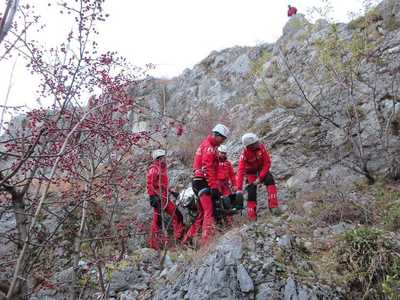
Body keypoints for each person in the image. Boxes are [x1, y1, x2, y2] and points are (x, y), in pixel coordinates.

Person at [182, 124, 230, 245]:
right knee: (209, 211)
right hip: (202, 182)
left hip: (197, 182)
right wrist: (214, 187)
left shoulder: (205, 144)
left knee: (202, 213)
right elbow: (208, 168)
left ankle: (187, 239)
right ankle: (206, 241)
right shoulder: (209, 148)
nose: (223, 142)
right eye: (223, 139)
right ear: (217, 135)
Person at [146, 149, 184, 249]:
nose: (164, 159)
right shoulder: (154, 169)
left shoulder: (162, 169)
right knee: (157, 222)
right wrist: (152, 197)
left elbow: (162, 185)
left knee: (178, 216)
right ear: (158, 159)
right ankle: (154, 246)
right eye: (162, 158)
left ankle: (178, 238)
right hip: (158, 199)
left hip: (165, 198)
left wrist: (172, 192)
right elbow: (150, 185)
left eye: (164, 157)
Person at [236, 133, 279, 221]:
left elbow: (267, 163)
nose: (258, 143)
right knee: (251, 192)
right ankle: (252, 217)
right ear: (250, 146)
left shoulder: (261, 147)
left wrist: (260, 178)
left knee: (270, 180)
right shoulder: (244, 155)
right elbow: (240, 171)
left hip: (261, 169)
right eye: (255, 143)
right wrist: (239, 189)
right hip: (250, 173)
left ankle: (274, 207)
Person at [215, 144, 237, 225]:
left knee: (228, 203)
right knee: (218, 204)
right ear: (218, 152)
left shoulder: (228, 163)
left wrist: (234, 185)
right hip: (217, 185)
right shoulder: (214, 162)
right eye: (222, 153)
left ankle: (230, 222)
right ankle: (220, 222)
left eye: (224, 153)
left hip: (225, 185)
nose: (223, 154)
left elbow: (232, 175)